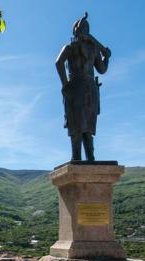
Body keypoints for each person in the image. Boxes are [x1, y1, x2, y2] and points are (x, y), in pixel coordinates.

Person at [55, 13, 111, 161]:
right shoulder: (90, 49)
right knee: (83, 124)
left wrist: (65, 84)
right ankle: (86, 156)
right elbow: (103, 69)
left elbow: (58, 63)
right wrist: (106, 58)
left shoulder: (73, 48)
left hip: (79, 88)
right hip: (87, 88)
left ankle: (82, 157)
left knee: (80, 124)